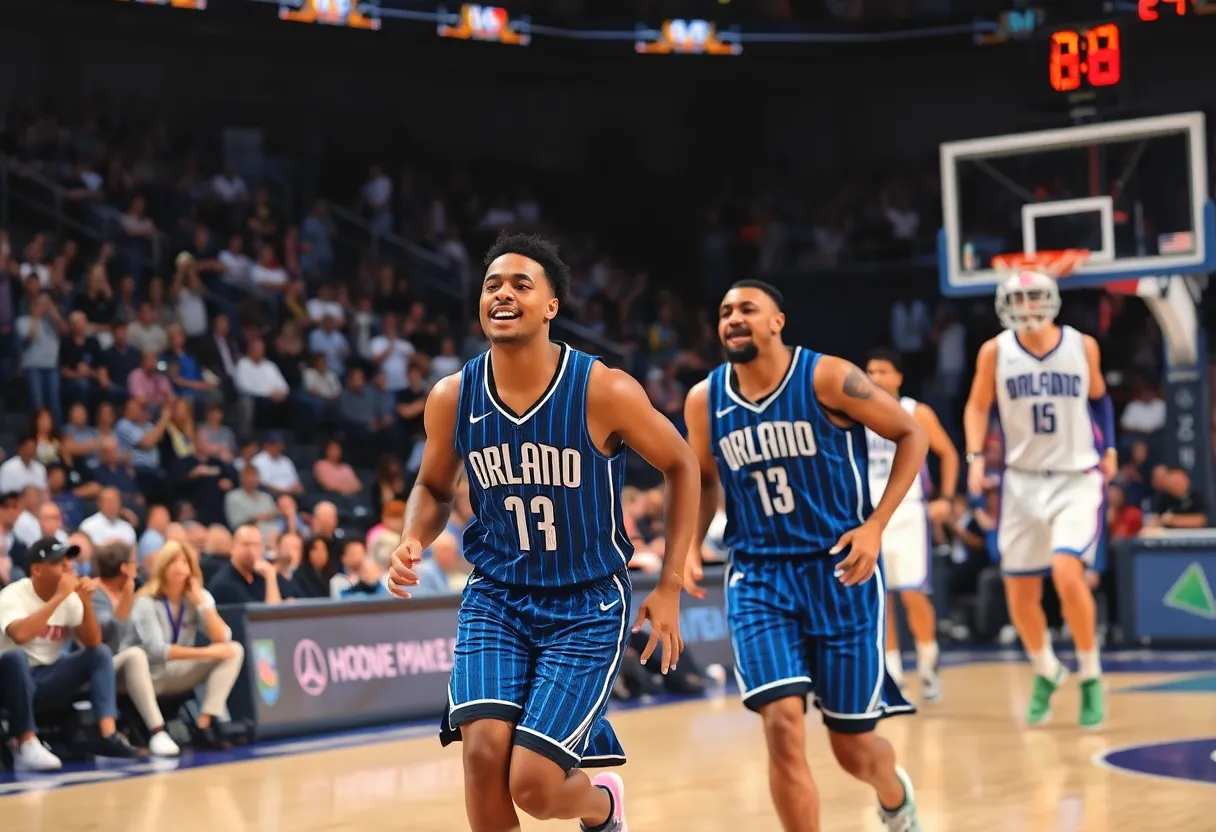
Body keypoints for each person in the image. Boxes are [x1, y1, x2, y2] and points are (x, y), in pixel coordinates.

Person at [387, 234, 698, 832]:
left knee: (533, 785)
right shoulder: (452, 397)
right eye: (491, 285)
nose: (502, 294)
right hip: (497, 596)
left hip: (586, 602)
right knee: (480, 755)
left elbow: (682, 464)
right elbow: (430, 489)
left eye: (521, 285)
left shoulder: (603, 389)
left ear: (552, 305)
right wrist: (412, 539)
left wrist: (670, 585)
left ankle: (603, 804)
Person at [683, 281, 927, 832]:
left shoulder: (827, 376)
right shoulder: (705, 399)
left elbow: (911, 434)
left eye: (748, 308)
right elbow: (702, 480)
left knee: (854, 750)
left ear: (777, 322)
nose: (733, 319)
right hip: (760, 576)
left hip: (841, 571)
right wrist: (690, 547)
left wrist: (875, 526)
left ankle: (894, 793)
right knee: (782, 723)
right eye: (724, 312)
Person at [962, 270, 1114, 729]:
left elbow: (1100, 399)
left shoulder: (1082, 345)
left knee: (1068, 573)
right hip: (1021, 481)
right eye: (1018, 298)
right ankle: (1047, 670)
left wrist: (1109, 449)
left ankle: (1090, 676)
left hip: (1076, 477)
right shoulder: (995, 351)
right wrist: (974, 456)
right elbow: (976, 405)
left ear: (1049, 300)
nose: (1027, 305)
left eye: (1034, 296)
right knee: (1020, 594)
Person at [864, 348, 958, 703]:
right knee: (880, 597)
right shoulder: (857, 412)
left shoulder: (916, 412)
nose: (874, 377)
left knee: (913, 594)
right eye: (870, 370)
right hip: (870, 515)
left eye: (882, 371)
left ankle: (928, 661)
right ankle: (893, 674)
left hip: (908, 514)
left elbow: (948, 453)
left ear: (898, 377)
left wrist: (946, 500)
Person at [0, 537, 143, 770]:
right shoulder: (13, 595)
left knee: (100, 654)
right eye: (59, 562)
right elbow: (20, 635)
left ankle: (107, 736)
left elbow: (93, 641)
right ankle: (25, 743)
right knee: (15, 658)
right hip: (11, 682)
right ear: (37, 569)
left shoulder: (71, 598)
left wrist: (85, 603)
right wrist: (58, 598)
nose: (69, 566)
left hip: (48, 678)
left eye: (69, 560)